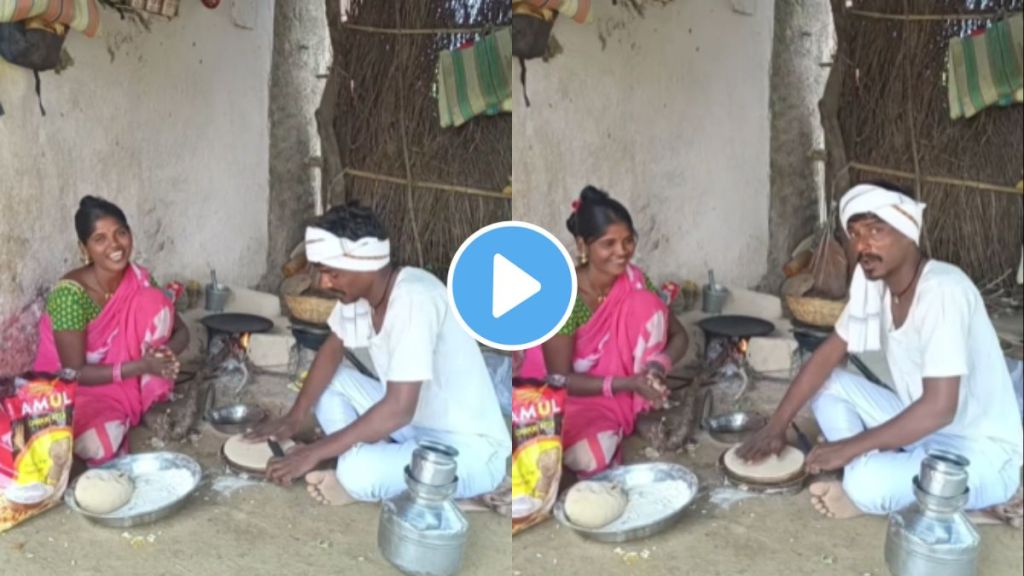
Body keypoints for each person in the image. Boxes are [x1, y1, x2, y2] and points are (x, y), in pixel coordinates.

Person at [739, 181, 1023, 519]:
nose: (863, 245)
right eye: (856, 233)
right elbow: (827, 356)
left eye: (876, 230)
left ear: (908, 230)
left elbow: (939, 408)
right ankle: (870, 466)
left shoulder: (943, 291)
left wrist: (848, 448)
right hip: (921, 430)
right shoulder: (875, 286)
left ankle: (861, 484)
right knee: (826, 384)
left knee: (868, 486)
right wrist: (777, 425)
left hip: (981, 454)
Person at [248, 203, 510, 505]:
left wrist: (314, 452)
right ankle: (369, 459)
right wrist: (295, 417)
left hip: (470, 449)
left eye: (331, 273)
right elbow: (332, 350)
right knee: (330, 382)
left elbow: (398, 408)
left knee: (360, 473)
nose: (323, 283)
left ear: (366, 263)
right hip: (414, 426)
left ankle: (355, 474)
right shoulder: (360, 297)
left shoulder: (415, 298)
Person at [518, 186, 690, 477]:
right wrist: (628, 384)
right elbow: (558, 379)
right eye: (608, 244)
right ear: (584, 246)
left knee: (645, 304)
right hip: (566, 396)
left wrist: (655, 368)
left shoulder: (635, 281)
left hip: (621, 390)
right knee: (584, 457)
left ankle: (637, 408)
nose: (622, 252)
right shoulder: (565, 297)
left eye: (628, 241)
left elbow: (680, 335)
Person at [33, 196, 189, 466]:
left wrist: (163, 358)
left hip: (131, 377)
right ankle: (129, 409)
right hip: (77, 390)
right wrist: (143, 366)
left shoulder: (139, 279)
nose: (114, 245)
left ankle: (148, 397)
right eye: (100, 239)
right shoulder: (70, 295)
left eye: (120, 233)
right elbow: (74, 372)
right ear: (85, 248)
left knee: (153, 300)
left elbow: (182, 331)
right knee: (93, 444)